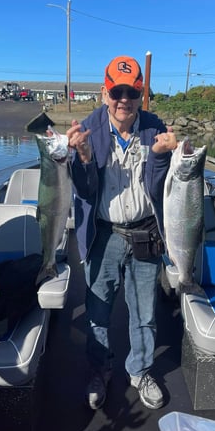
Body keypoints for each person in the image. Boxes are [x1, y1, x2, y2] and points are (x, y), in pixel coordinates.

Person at [67, 55, 177, 411]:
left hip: (146, 233)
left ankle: (140, 370)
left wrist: (161, 156)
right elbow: (84, 192)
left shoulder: (153, 128)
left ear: (141, 94)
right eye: (117, 91)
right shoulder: (88, 130)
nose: (123, 100)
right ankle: (100, 370)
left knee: (144, 312)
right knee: (97, 311)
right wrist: (82, 157)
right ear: (104, 93)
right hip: (104, 234)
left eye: (131, 92)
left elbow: (161, 189)